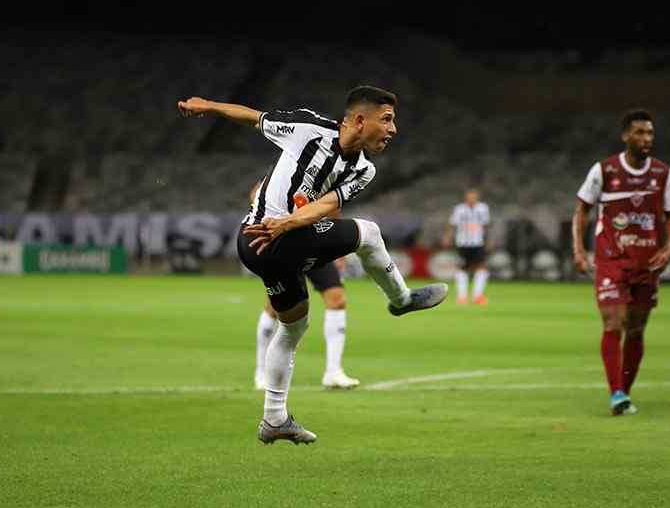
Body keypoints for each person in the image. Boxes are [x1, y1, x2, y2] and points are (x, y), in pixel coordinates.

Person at [179, 86, 447, 445]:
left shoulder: (363, 170)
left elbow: (326, 206)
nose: (393, 129)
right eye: (387, 120)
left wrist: (287, 223)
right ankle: (402, 300)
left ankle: (274, 419)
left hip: (273, 243)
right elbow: (254, 118)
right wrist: (207, 106)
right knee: (368, 233)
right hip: (261, 237)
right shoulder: (307, 128)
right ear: (358, 119)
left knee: (293, 327)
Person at [572, 109, 670, 415]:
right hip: (611, 259)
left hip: (647, 263)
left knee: (636, 329)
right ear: (625, 136)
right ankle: (616, 392)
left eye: (649, 133)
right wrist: (579, 250)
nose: (646, 138)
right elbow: (582, 209)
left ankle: (624, 391)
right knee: (613, 322)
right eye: (639, 132)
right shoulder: (605, 170)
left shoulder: (663, 174)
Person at [248, 182, 359, 390]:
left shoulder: (326, 173)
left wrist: (339, 248)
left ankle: (333, 372)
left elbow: (333, 205)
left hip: (314, 243)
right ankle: (261, 372)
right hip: (285, 247)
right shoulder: (286, 171)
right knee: (275, 308)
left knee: (337, 298)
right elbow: (256, 194)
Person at [442, 189, 492, 305]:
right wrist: (448, 237)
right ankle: (462, 297)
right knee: (462, 268)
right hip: (463, 243)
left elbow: (485, 225)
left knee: (482, 267)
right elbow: (452, 224)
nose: (471, 199)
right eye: (469, 197)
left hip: (477, 243)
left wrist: (488, 240)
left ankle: (477, 295)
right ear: (466, 198)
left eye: (474, 197)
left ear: (477, 197)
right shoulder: (459, 209)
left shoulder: (482, 208)